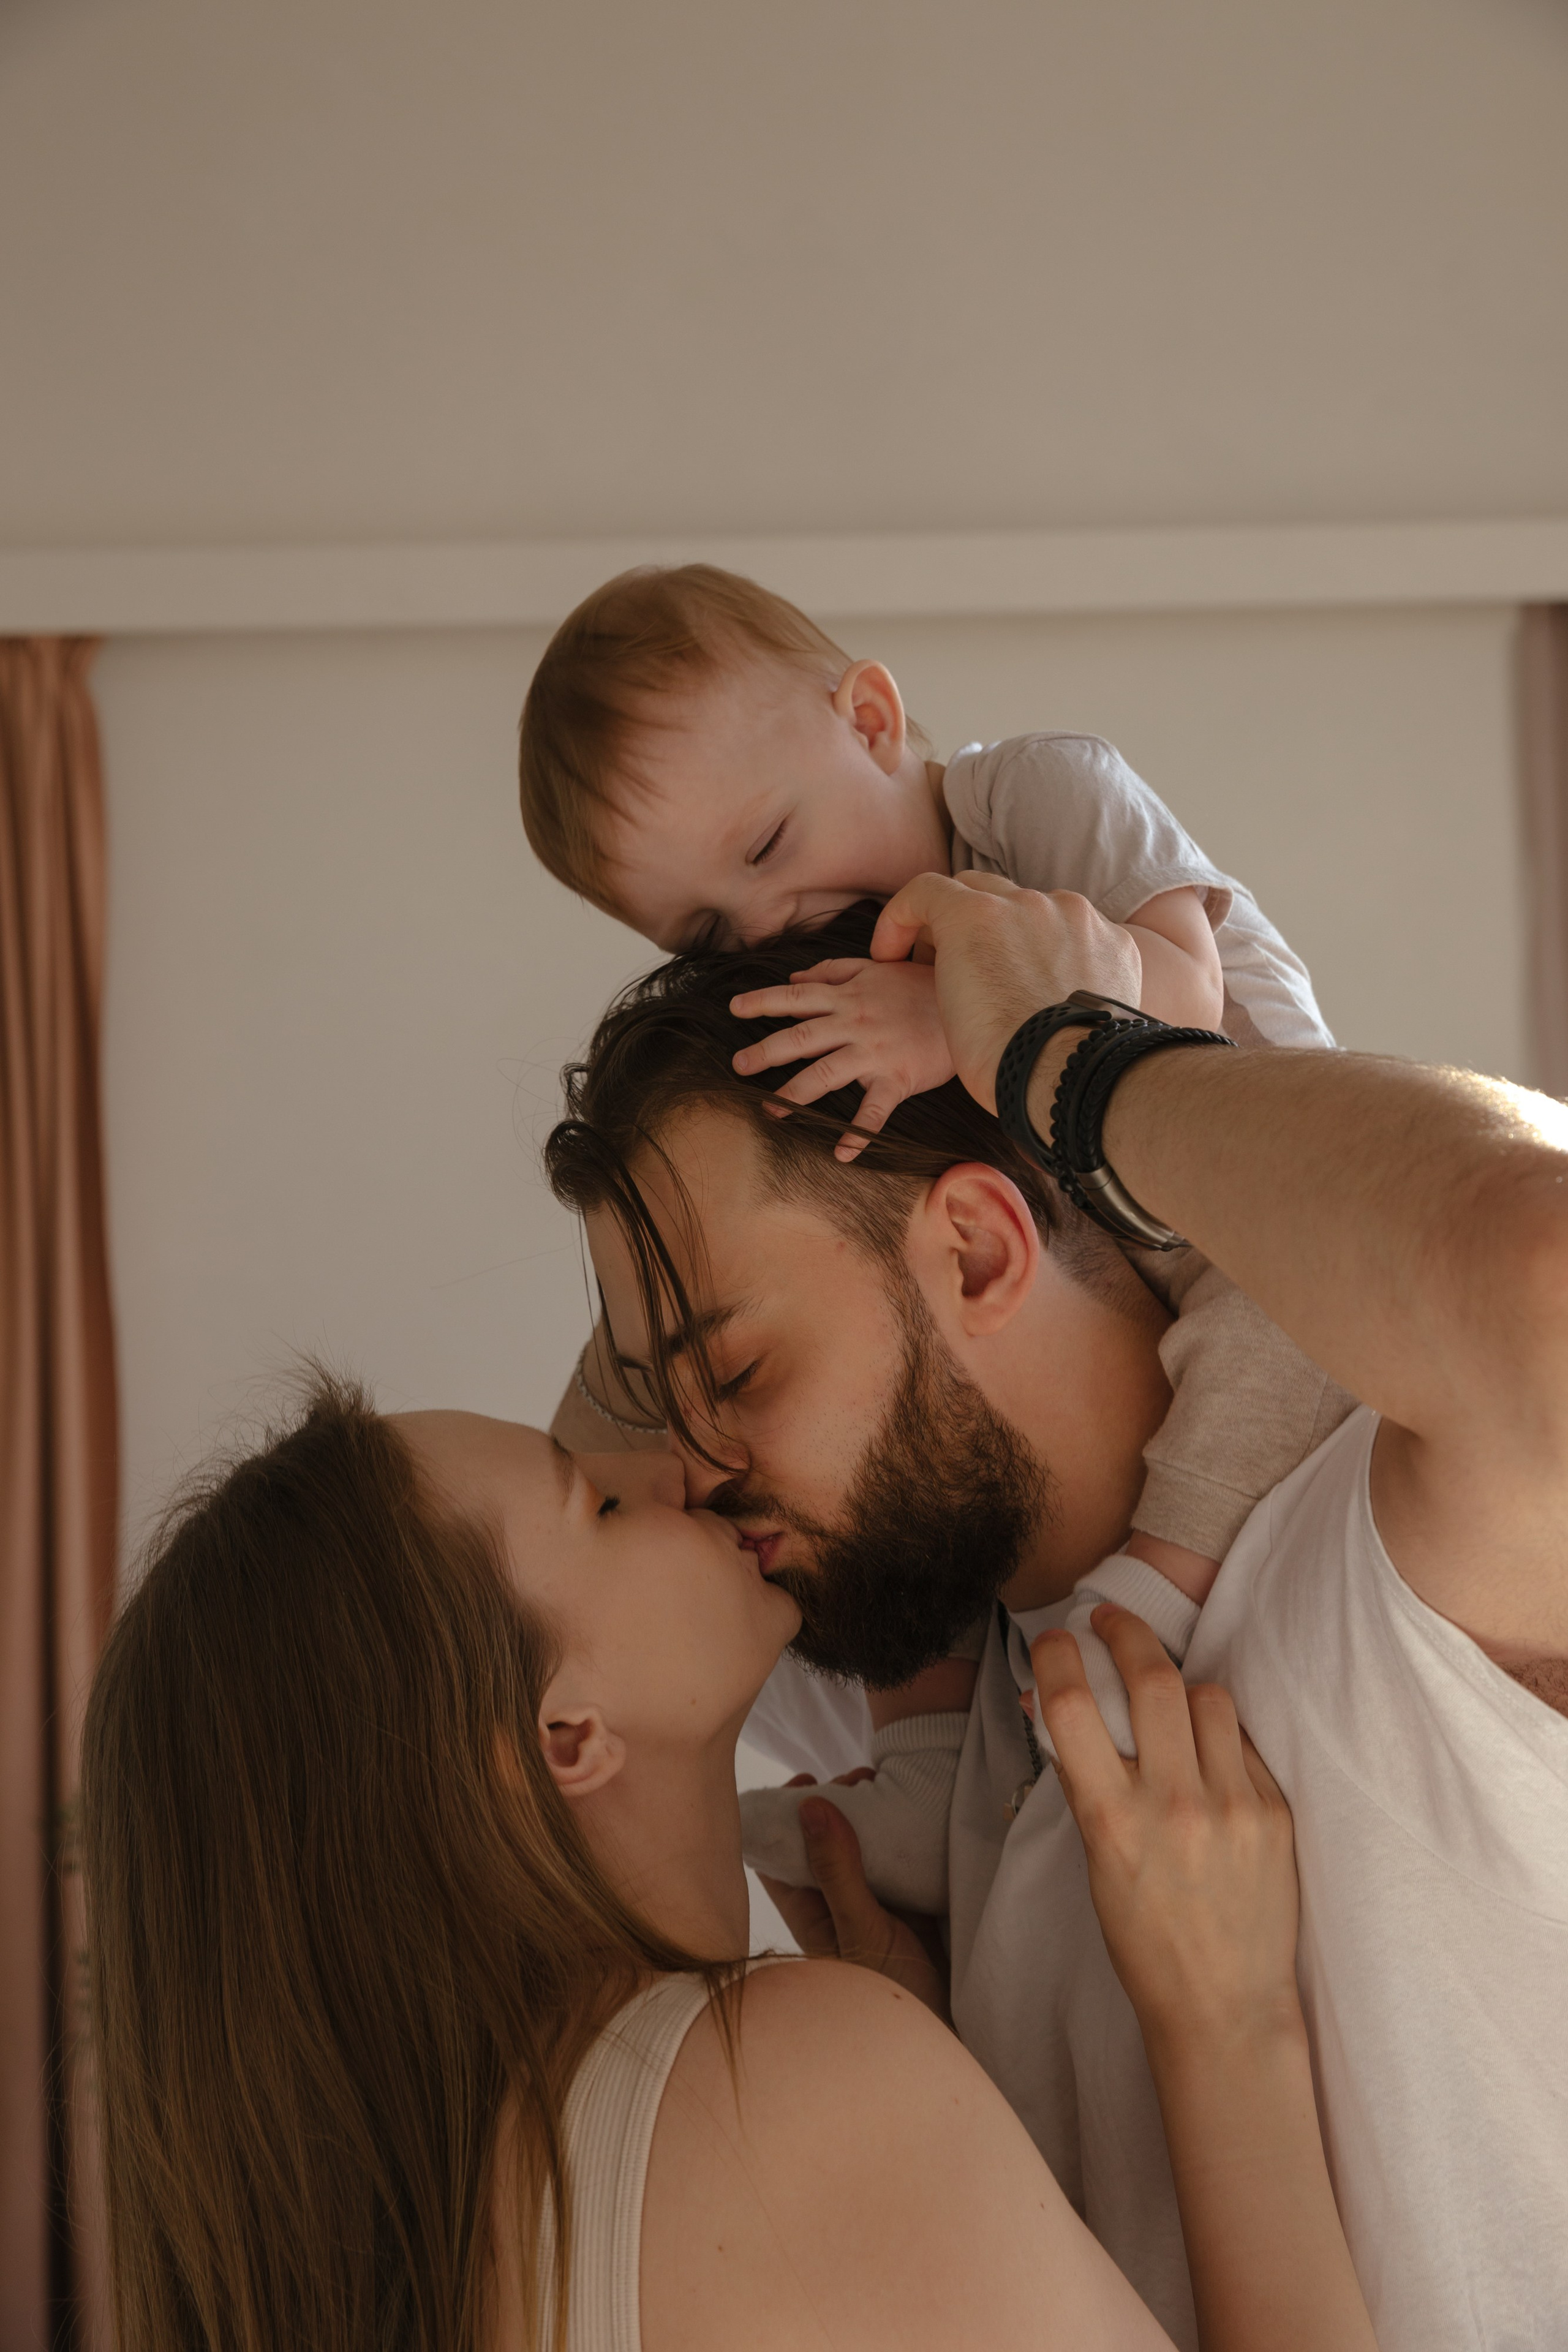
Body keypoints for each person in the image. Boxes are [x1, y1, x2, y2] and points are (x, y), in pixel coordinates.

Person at [543, 872, 1568, 2352]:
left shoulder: (1380, 1538)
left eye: (739, 1375)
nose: (694, 1480)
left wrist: (1062, 1055)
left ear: (976, 1250)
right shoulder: (969, 1743)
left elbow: (1541, 1280)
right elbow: (516, 1542)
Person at [78, 1374, 1374, 2352]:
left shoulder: (463, 2244)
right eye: (592, 1501)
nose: (671, 1473)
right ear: (561, 1734)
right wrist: (1225, 2022)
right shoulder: (775, 2089)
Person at [523, 560, 1350, 1903]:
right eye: (702, 932)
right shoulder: (822, 974)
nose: (768, 927)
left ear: (866, 718)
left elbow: (1183, 1011)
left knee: (1249, 1318)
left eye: (765, 850)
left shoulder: (1037, 795)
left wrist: (965, 1024)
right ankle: (916, 1748)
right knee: (878, 1458)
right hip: (1081, 1197)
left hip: (1244, 1166)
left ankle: (1154, 1585)